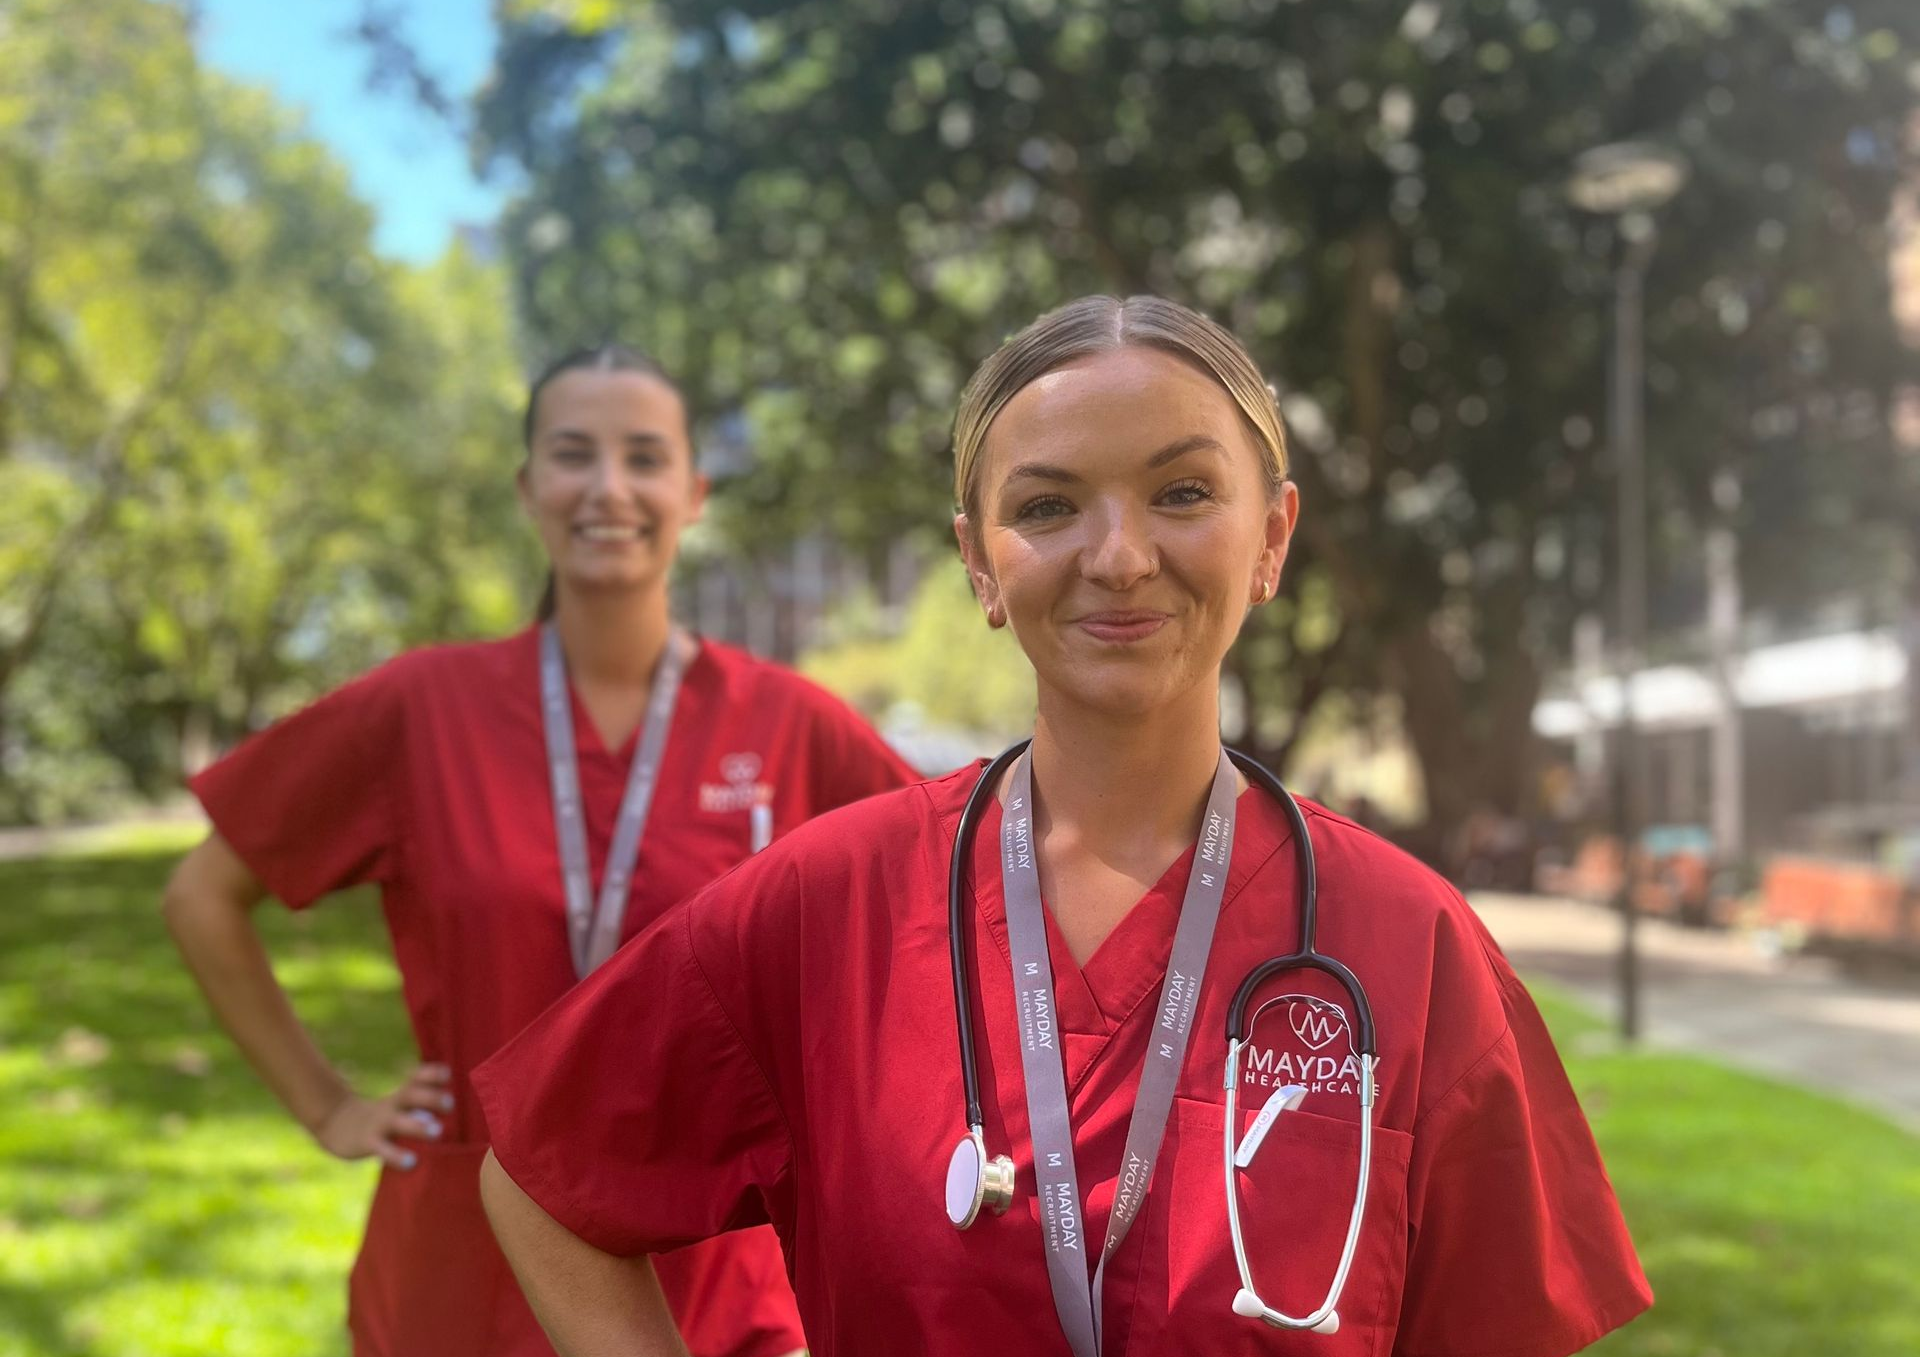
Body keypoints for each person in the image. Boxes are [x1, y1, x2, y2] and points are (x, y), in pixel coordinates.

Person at [473, 299, 1653, 1356]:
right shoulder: (827, 904)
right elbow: (544, 1177)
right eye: (1046, 506)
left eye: (1183, 492)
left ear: (1274, 539)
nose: (1120, 556)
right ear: (982, 566)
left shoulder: (1411, 943)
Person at [162, 345, 917, 1357]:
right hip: (460, 1263)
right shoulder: (420, 708)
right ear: (529, 489)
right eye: (574, 454)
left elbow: (954, 904)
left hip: (712, 1271)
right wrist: (330, 1106)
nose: (609, 487)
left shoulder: (792, 726)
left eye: (644, 458)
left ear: (692, 493)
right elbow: (202, 894)